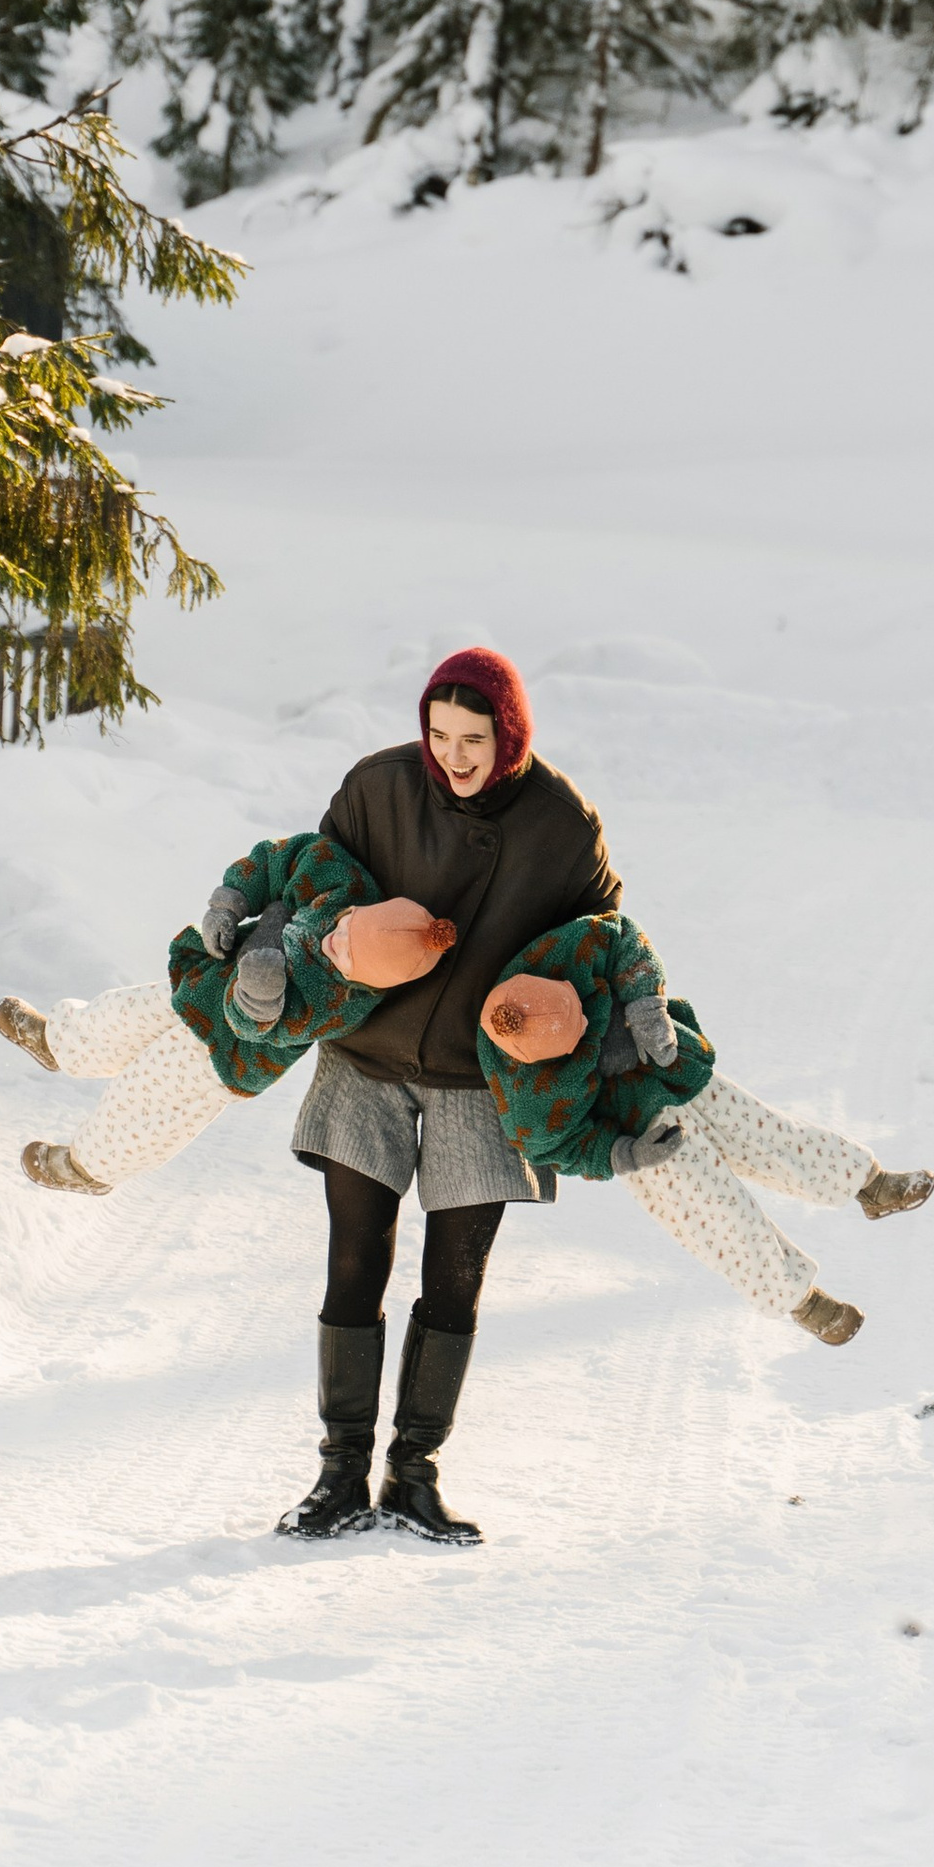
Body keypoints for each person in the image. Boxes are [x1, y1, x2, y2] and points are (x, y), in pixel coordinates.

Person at [276, 646, 618, 1548]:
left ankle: (414, 1475)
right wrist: (303, 947)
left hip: (479, 1078)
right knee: (356, 1256)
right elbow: (316, 883)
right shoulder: (378, 788)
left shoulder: (561, 823)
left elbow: (605, 936)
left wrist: (614, 1030)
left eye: (474, 739)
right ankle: (339, 1473)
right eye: (439, 735)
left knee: (453, 1280)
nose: (455, 757)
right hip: (367, 1060)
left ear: (510, 737)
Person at [478, 912, 934, 1343]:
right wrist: (625, 1154)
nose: (586, 1024)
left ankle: (869, 1184)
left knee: (767, 1131)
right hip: (641, 1131)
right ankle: (802, 1301)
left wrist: (644, 1010)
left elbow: (623, 937)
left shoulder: (559, 954)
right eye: (578, 1032)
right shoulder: (528, 1094)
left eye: (579, 1011)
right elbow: (552, 1145)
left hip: (667, 1067)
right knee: (718, 1210)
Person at [0, 833, 447, 1190]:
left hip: (226, 1051)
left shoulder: (338, 1003)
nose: (337, 943)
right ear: (360, 908)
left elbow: (262, 1028)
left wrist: (261, 993)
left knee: (146, 1098)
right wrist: (231, 902)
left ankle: (87, 1166)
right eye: (347, 928)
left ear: (367, 981)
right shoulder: (339, 881)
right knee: (124, 1013)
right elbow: (280, 859)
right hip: (206, 984)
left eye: (349, 956)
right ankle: (60, 1041)